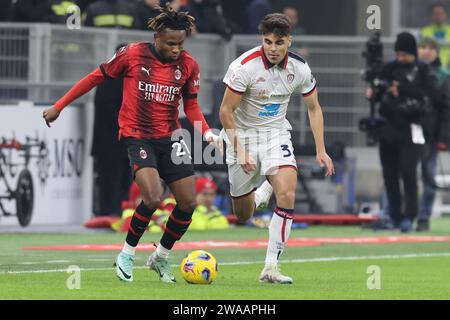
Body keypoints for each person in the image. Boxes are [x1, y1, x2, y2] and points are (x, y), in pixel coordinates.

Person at [43, 3, 218, 284]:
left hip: (171, 137)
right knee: (152, 197)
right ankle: (126, 253)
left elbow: (193, 107)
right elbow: (94, 78)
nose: (176, 49)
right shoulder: (132, 54)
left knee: (188, 202)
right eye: (170, 43)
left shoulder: (188, 65)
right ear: (156, 38)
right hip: (137, 134)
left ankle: (160, 256)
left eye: (180, 44)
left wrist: (207, 133)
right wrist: (59, 105)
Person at [219, 13, 334, 284]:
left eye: (278, 42)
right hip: (242, 136)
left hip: (275, 134)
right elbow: (226, 111)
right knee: (244, 214)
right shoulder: (244, 67)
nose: (272, 48)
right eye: (267, 41)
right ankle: (260, 191)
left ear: (289, 41)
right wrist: (240, 149)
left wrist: (321, 149)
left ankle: (270, 268)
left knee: (288, 193)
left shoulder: (300, 68)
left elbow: (314, 108)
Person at [367, 32, 440, 232]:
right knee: (390, 175)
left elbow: (432, 95)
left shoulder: (423, 70)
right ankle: (394, 216)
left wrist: (404, 89)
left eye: (404, 54)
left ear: (412, 53)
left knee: (409, 173)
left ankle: (410, 216)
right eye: (398, 54)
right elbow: (377, 92)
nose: (401, 58)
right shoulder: (389, 68)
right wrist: (374, 92)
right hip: (388, 127)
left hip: (412, 127)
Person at [91, 44, 131, 217]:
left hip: (119, 141)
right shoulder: (111, 78)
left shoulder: (111, 77)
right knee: (112, 181)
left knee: (120, 180)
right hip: (112, 142)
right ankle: (110, 215)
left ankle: (117, 214)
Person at [417, 37, 450, 231]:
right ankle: (396, 216)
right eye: (423, 47)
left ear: (437, 52)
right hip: (407, 133)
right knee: (401, 175)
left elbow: (447, 109)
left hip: (431, 135)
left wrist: (443, 138)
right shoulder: (409, 72)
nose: (426, 51)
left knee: (429, 177)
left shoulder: (443, 75)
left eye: (430, 48)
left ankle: (423, 217)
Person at [420, 2, 450, 68]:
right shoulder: (424, 32)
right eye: (436, 13)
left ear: (446, 14)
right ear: (431, 15)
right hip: (430, 67)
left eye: (441, 13)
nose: (438, 16)